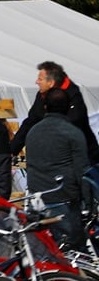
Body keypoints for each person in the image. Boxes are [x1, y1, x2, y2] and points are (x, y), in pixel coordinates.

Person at [25, 88, 88, 251]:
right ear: (69, 107)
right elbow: (82, 171)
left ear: (45, 107)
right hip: (63, 198)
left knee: (44, 253)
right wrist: (89, 203)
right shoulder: (73, 133)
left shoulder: (33, 132)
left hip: (36, 199)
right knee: (73, 253)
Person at [11, 61, 99, 164]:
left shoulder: (73, 96)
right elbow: (31, 121)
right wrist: (13, 149)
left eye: (40, 79)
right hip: (51, 156)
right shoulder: (42, 95)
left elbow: (74, 124)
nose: (36, 82)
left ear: (51, 83)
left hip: (81, 158)